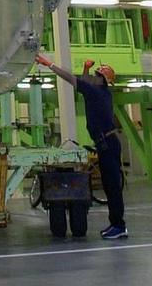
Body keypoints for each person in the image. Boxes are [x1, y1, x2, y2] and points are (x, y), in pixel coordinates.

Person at [36, 54, 127, 240]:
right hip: (106, 144)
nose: (93, 77)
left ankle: (119, 226)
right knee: (110, 187)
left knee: (113, 187)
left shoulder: (96, 93)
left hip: (108, 145)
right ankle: (115, 224)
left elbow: (71, 79)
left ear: (102, 80)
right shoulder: (99, 93)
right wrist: (85, 68)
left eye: (96, 75)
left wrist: (49, 64)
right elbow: (84, 84)